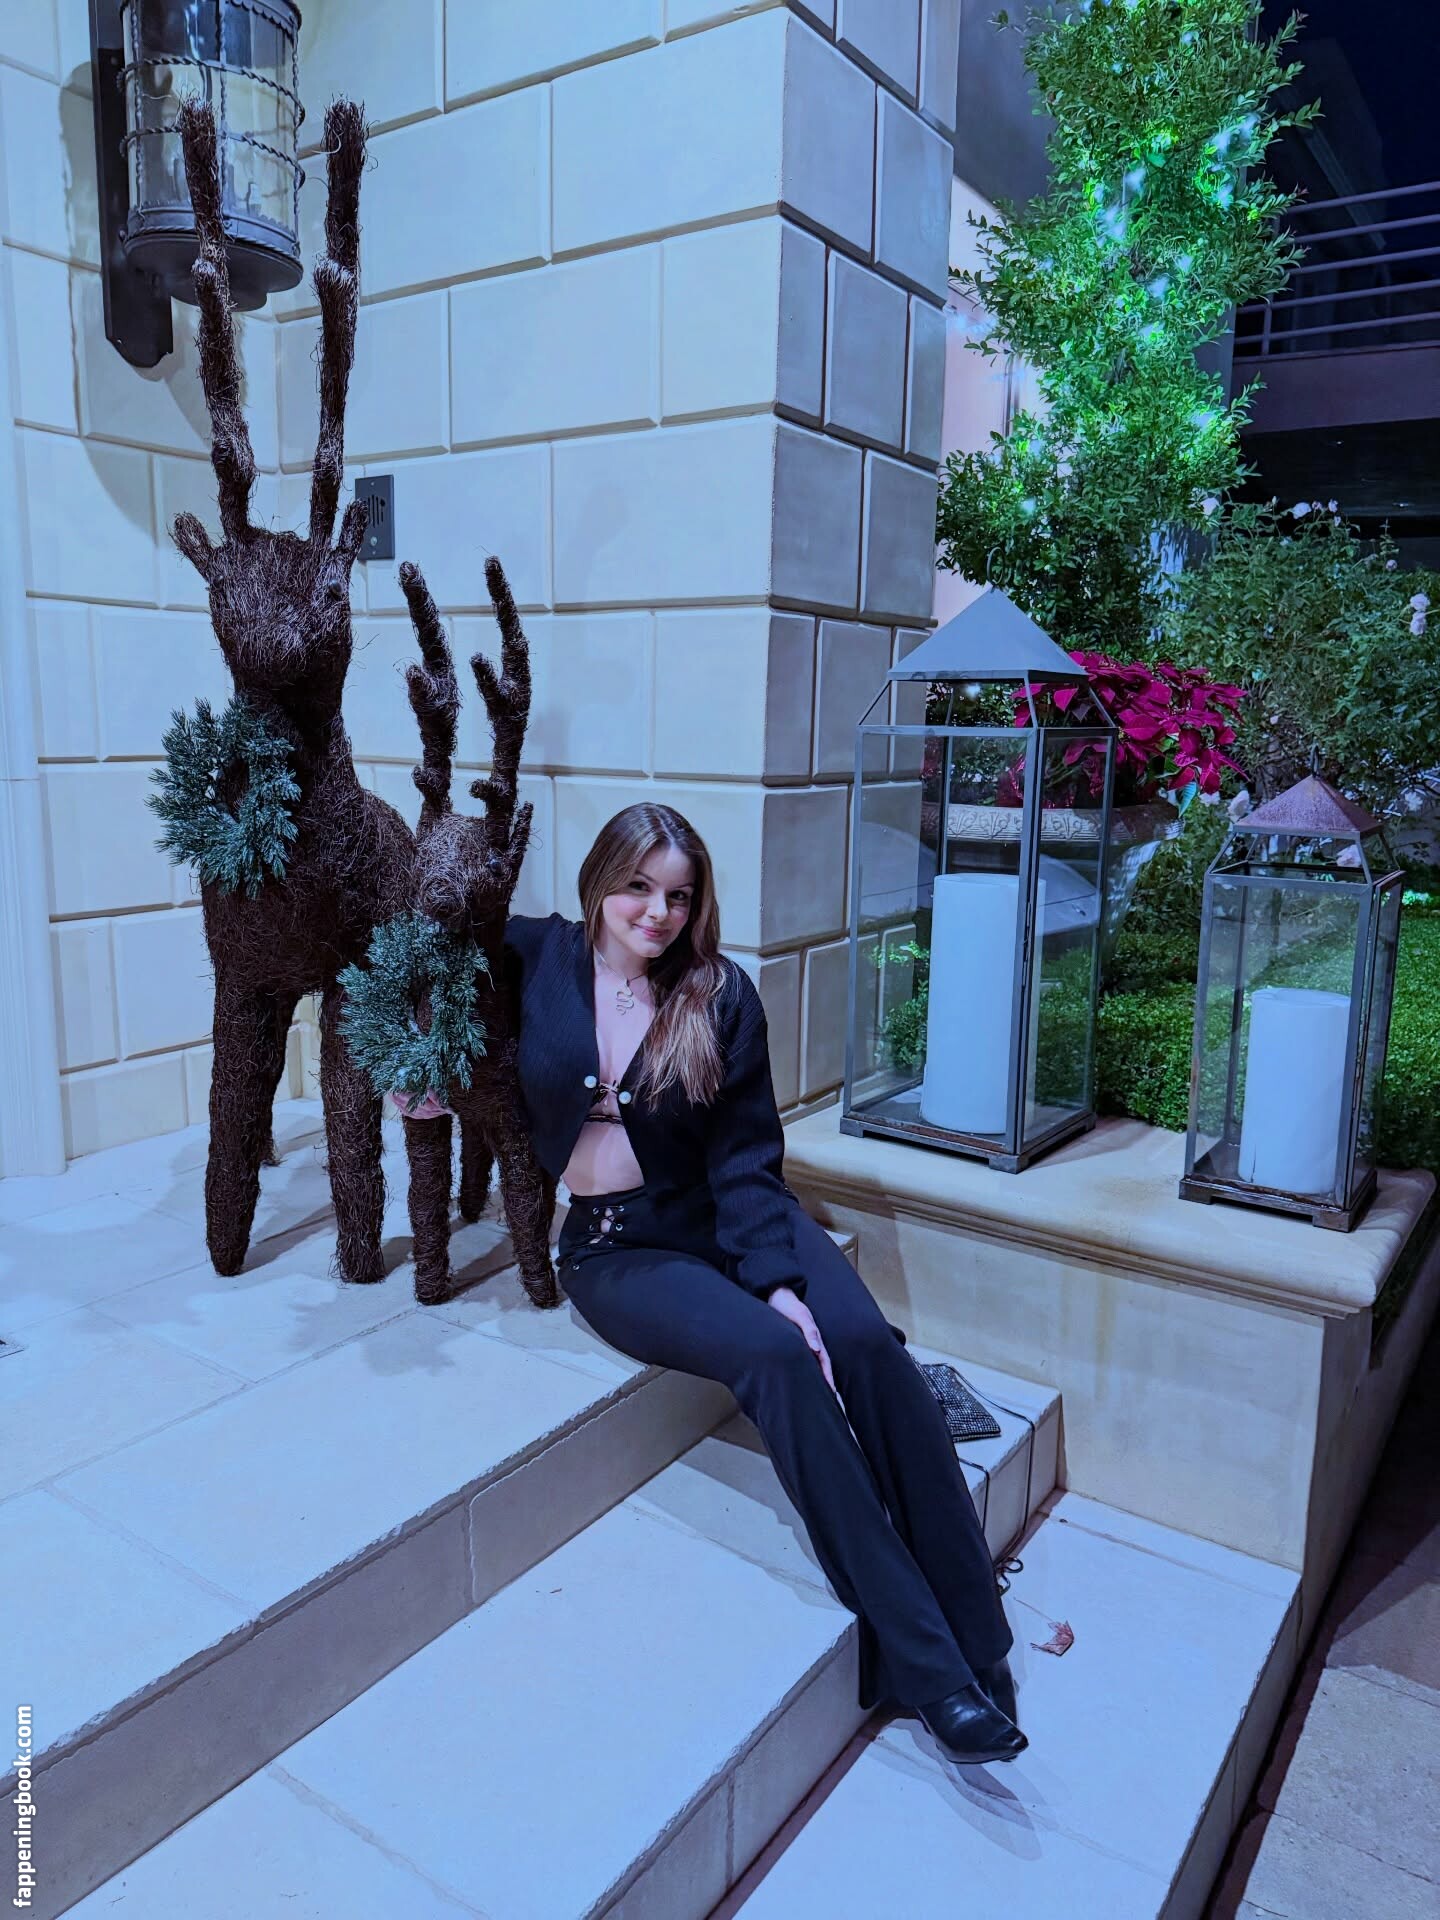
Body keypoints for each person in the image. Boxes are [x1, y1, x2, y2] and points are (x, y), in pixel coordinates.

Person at [503, 801, 1025, 1766]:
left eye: (678, 896)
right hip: (620, 1249)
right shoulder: (533, 956)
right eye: (638, 888)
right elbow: (415, 969)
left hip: (733, 1214)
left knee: (864, 1345)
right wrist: (412, 1075)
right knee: (778, 1358)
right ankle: (933, 1672)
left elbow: (746, 1156)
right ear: (600, 880)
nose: (657, 913)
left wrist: (778, 1279)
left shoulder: (720, 993)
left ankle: (979, 1633)